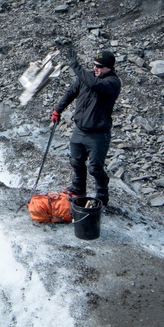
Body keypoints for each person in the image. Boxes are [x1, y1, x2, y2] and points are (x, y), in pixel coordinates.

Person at [51, 46, 121, 207]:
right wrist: (57, 110)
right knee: (76, 161)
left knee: (95, 167)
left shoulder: (112, 82)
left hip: (98, 134)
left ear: (108, 68)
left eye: (99, 66)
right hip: (80, 129)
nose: (94, 68)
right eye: (94, 64)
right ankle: (78, 188)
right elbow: (70, 93)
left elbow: (94, 84)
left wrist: (75, 65)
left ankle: (102, 198)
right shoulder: (87, 76)